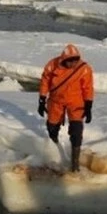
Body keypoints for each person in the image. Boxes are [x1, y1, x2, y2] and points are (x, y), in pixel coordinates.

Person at [38, 44, 94, 172]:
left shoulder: (84, 69)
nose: (73, 63)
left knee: (76, 131)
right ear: (64, 59)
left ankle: (75, 165)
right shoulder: (52, 65)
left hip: (76, 102)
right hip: (55, 101)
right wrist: (42, 99)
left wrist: (88, 105)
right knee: (52, 126)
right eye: (70, 61)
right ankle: (55, 149)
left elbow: (88, 87)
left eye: (76, 60)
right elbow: (45, 81)